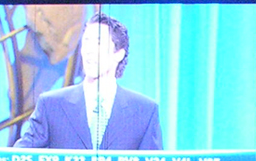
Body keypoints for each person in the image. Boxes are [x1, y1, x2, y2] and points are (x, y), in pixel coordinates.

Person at [12, 13, 164, 151]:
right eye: (86, 42)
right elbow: (19, 159)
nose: (89, 50)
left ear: (118, 54)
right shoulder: (51, 105)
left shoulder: (144, 111)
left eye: (98, 43)